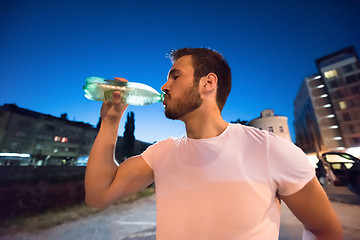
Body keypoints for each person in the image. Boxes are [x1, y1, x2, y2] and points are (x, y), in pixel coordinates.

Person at [85, 48, 343, 239]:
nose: (164, 86)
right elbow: (98, 196)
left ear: (208, 83)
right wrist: (110, 122)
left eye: (175, 77)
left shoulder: (269, 149)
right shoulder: (162, 152)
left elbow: (325, 230)